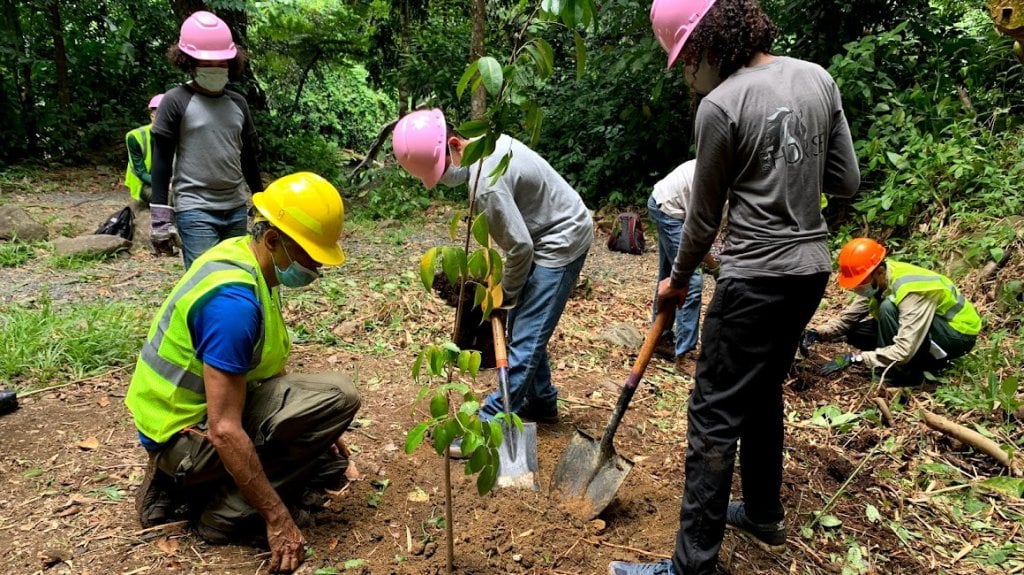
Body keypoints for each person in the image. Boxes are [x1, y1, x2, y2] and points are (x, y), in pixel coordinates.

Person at [611, 0, 861, 573]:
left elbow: (700, 222)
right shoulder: (818, 78)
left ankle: (690, 567)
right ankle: (764, 514)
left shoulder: (720, 105)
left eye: (684, 62)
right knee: (763, 389)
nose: (688, 78)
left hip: (754, 277)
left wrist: (677, 282)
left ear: (701, 47)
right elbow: (845, 180)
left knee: (714, 414)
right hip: (810, 271)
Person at [125, 172, 360, 574]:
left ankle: (189, 486)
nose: (318, 263)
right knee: (340, 395)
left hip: (191, 418)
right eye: (309, 252)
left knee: (326, 464)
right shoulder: (232, 304)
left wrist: (323, 433)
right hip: (184, 432)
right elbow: (224, 429)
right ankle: (221, 516)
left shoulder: (246, 257)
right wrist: (277, 519)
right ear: (273, 239)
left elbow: (263, 367)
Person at [392, 109, 593, 435]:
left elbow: (520, 249)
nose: (443, 178)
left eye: (442, 169)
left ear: (455, 144)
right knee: (524, 325)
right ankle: (541, 402)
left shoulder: (486, 184)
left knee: (526, 335)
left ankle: (488, 422)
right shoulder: (487, 145)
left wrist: (505, 294)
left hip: (561, 240)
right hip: (543, 231)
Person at [150, 10, 264, 268]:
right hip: (194, 208)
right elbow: (162, 161)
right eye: (207, 64)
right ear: (189, 62)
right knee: (205, 278)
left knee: (235, 274)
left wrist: (261, 201)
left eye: (221, 64)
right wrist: (160, 216)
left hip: (235, 206)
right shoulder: (175, 101)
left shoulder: (238, 103)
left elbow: (248, 158)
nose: (215, 70)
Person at [804, 237, 981, 386]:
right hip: (931, 329)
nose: (858, 288)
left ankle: (898, 376)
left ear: (879, 272)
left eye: (861, 282)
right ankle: (904, 362)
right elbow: (848, 320)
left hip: (956, 336)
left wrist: (856, 358)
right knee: (856, 332)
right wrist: (816, 334)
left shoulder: (911, 290)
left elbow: (904, 349)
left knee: (887, 308)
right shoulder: (879, 280)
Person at [648, 160, 721, 372]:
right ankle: (685, 354)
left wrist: (716, 267)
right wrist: (715, 268)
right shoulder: (725, 192)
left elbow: (703, 236)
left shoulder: (733, 184)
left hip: (672, 201)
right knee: (690, 280)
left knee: (669, 276)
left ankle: (659, 339)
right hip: (667, 207)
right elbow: (699, 238)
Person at [124, 94, 164, 210]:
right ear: (153, 116)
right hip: (145, 183)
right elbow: (141, 172)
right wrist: (164, 184)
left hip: (170, 181)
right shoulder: (135, 137)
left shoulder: (176, 135)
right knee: (169, 198)